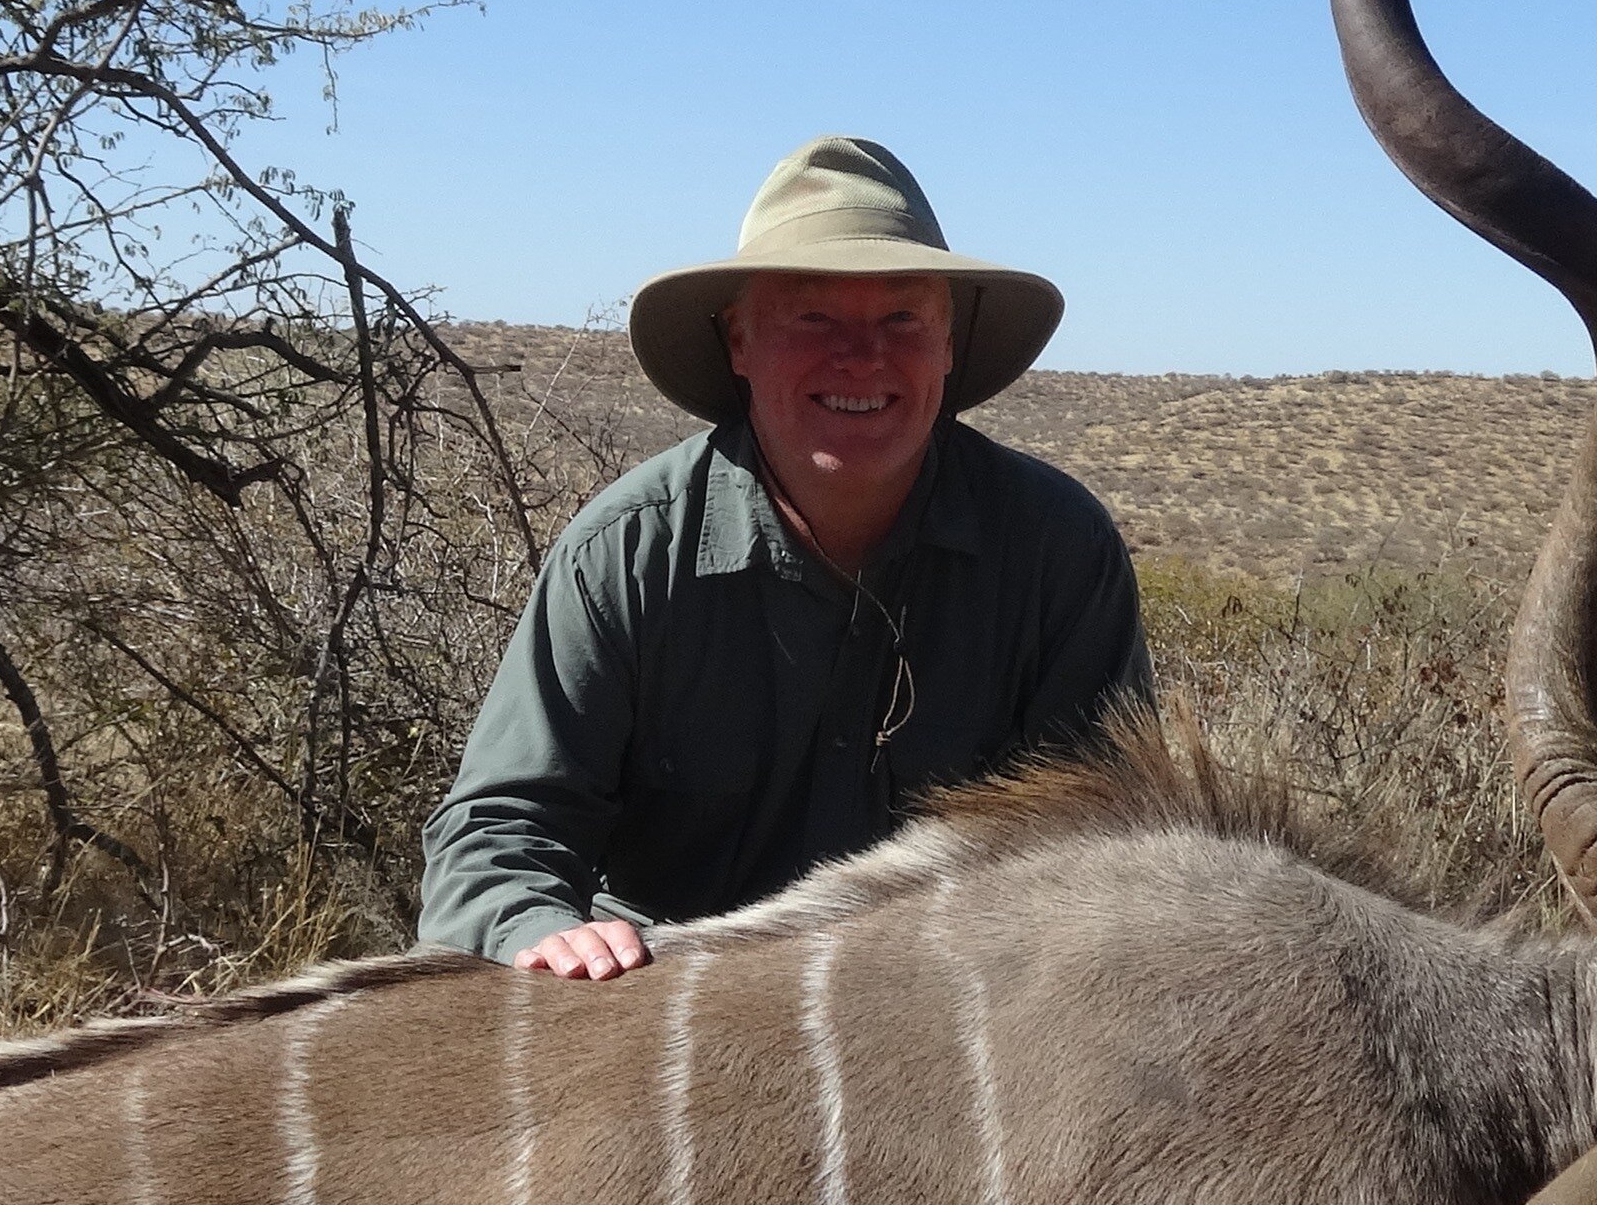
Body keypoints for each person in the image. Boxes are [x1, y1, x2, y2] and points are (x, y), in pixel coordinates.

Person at [418, 136, 1149, 978]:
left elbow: (1104, 846)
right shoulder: (626, 551)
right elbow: (498, 830)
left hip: (945, 1005)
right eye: (814, 317)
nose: (862, 356)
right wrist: (536, 927)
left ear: (949, 341)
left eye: (902, 318)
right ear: (739, 340)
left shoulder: (1058, 549)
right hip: (663, 1005)